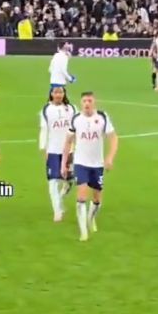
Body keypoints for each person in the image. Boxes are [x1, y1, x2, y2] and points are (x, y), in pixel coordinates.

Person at [61, 92, 119, 241]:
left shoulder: (102, 117)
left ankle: (91, 218)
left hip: (97, 164)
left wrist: (110, 157)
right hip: (80, 163)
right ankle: (83, 232)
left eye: (89, 100)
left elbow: (113, 138)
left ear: (94, 102)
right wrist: (64, 163)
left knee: (97, 197)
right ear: (81, 103)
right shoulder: (76, 119)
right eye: (84, 101)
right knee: (81, 195)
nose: (87, 103)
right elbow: (68, 141)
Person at [38, 86, 77, 222]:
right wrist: (44, 149)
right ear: (51, 94)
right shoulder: (46, 110)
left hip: (69, 150)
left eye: (61, 92)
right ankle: (57, 211)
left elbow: (77, 127)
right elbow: (44, 130)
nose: (58, 95)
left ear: (64, 94)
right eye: (56, 92)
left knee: (70, 180)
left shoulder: (72, 109)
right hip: (53, 150)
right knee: (53, 181)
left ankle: (60, 198)